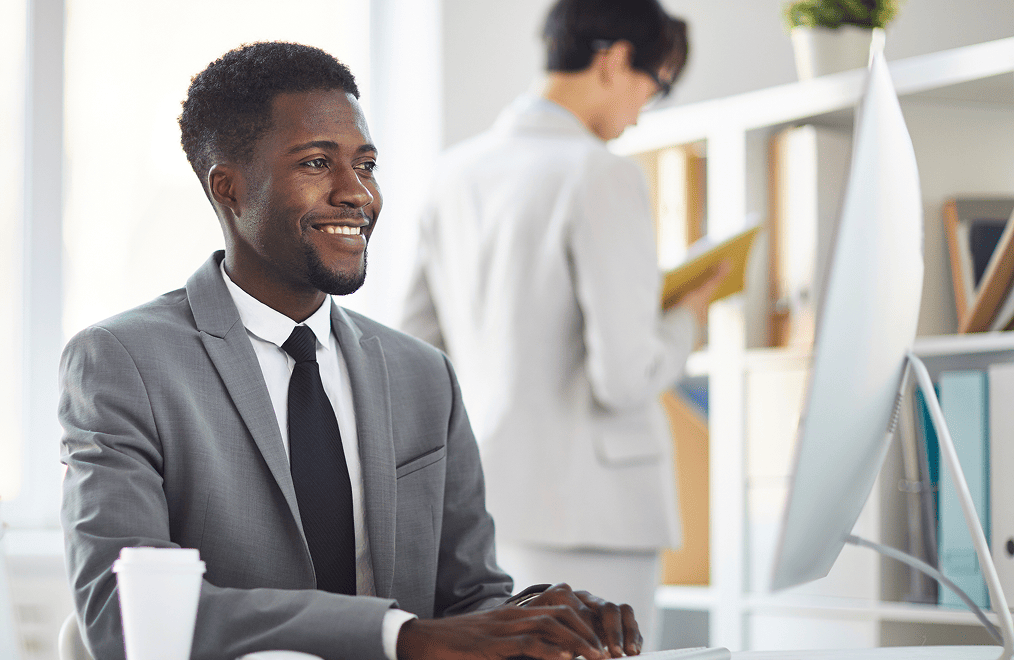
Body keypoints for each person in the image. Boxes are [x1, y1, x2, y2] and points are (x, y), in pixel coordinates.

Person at [60, 41, 643, 660]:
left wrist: (534, 621)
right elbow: (125, 618)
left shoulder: (423, 375)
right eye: (317, 164)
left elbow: (468, 598)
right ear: (228, 188)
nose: (357, 193)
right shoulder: (122, 364)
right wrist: (398, 636)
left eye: (366, 164)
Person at [400, 0, 726, 644]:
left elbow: (416, 355)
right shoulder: (601, 175)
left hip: (485, 503)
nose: (640, 113)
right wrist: (687, 319)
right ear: (613, 62)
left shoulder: (453, 174)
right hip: (596, 512)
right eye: (653, 87)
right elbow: (625, 378)